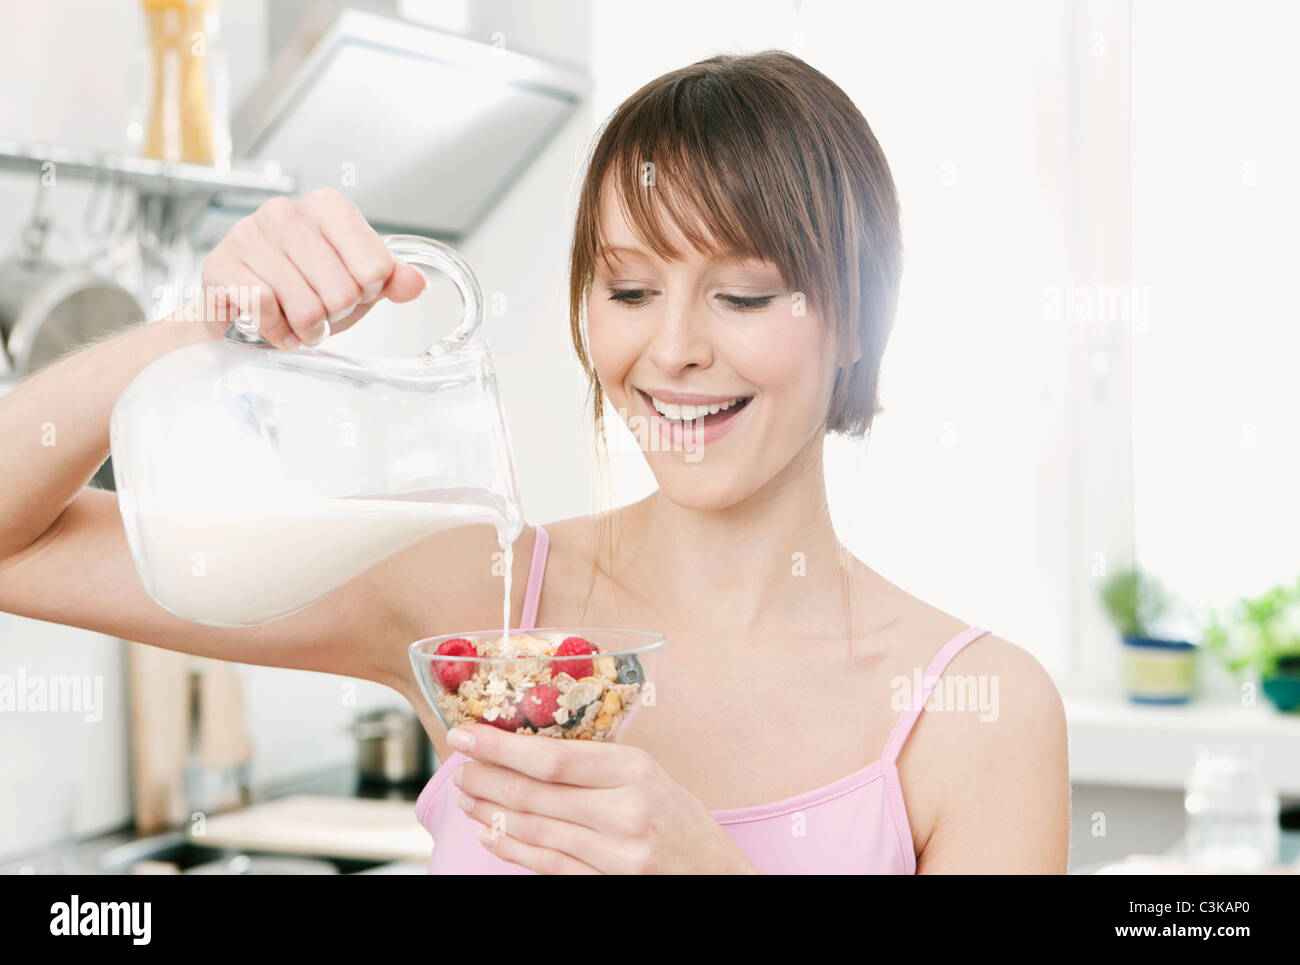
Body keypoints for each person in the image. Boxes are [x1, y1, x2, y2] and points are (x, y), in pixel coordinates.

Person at [0, 50, 1068, 874]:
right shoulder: (485, 613)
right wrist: (197, 329)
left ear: (855, 324)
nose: (675, 347)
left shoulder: (976, 710)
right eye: (630, 290)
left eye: (743, 295)